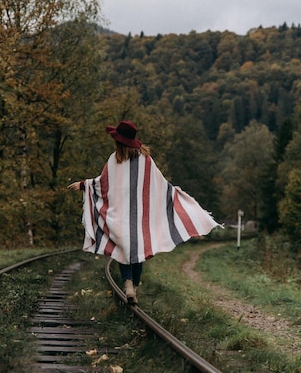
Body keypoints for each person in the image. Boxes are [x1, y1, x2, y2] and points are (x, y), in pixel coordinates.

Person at [68, 120, 220, 305]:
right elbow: (159, 184)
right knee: (137, 251)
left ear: (119, 142)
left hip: (119, 217)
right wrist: (175, 194)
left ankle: (128, 284)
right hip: (140, 219)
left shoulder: (114, 160)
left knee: (123, 251)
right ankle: (135, 288)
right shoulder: (146, 160)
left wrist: (84, 185)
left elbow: (103, 183)